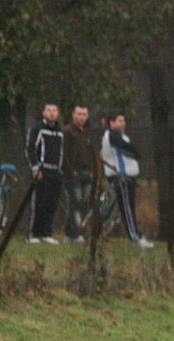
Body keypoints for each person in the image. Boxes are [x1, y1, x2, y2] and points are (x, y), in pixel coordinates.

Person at [100, 111, 153, 248]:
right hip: (120, 177)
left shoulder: (121, 136)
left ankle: (134, 234)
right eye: (119, 120)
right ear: (111, 123)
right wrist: (136, 152)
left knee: (122, 208)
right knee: (126, 208)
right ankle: (135, 236)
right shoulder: (112, 137)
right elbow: (131, 150)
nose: (122, 123)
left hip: (127, 178)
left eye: (123, 120)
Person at [26, 102, 64, 244]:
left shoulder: (60, 131)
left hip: (56, 171)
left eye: (54, 110)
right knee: (38, 203)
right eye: (49, 110)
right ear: (43, 112)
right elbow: (30, 148)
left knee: (51, 204)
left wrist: (61, 170)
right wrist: (35, 168)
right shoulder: (37, 128)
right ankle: (33, 234)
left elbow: (61, 151)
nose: (52, 113)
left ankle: (46, 233)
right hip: (42, 170)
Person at [62, 105, 96, 242]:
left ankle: (69, 233)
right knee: (76, 202)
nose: (81, 117)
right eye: (79, 114)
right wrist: (71, 171)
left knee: (84, 203)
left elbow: (92, 153)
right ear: (73, 115)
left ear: (87, 116)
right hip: (73, 173)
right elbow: (64, 154)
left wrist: (94, 171)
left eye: (84, 114)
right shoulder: (67, 131)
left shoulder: (87, 132)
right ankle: (77, 233)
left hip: (88, 172)